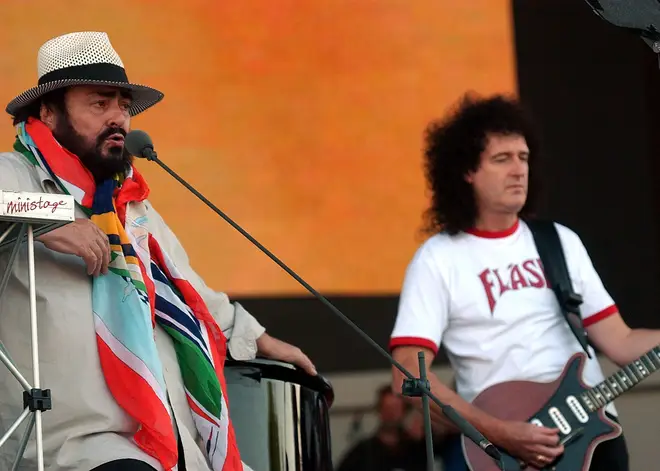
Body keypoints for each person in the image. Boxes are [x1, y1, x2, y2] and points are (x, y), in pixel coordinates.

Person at [0, 31, 317, 471]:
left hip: (162, 443)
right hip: (70, 449)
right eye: (99, 103)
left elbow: (193, 294)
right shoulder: (14, 174)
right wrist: (50, 214)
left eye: (123, 106)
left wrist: (258, 339)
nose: (118, 118)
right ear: (49, 113)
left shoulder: (131, 205)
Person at [389, 93, 660, 470]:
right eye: (502, 159)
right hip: (506, 453)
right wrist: (497, 432)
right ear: (467, 170)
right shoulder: (439, 258)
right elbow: (406, 373)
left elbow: (621, 341)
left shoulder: (559, 241)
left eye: (524, 158)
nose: (518, 170)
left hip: (593, 437)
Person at [335, 385, 427, 471]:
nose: (391, 413)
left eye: (395, 408)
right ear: (379, 410)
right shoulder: (363, 452)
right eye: (388, 408)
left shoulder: (416, 449)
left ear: (404, 411)